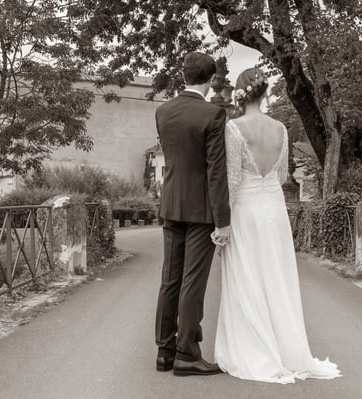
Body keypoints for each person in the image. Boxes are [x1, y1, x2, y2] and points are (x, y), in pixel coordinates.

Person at [213, 67, 342, 384]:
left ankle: (254, 349)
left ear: (240, 95)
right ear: (264, 92)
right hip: (274, 209)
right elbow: (283, 177)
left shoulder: (233, 129)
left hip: (245, 210)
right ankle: (286, 349)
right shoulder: (281, 129)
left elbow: (231, 180)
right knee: (276, 277)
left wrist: (221, 224)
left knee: (247, 275)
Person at [154, 52, 230, 376]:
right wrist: (223, 220)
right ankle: (187, 353)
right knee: (192, 283)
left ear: (183, 75)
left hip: (170, 205)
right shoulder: (213, 114)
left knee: (170, 279)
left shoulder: (163, 111)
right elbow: (216, 171)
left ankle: (164, 351)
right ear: (211, 80)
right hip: (201, 212)